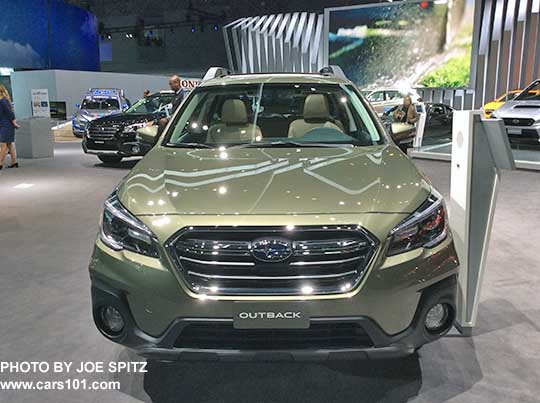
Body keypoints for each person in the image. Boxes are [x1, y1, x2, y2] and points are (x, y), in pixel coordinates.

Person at [0, 84, 20, 170]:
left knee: (2, 144)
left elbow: (10, 113)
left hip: (6, 125)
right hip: (3, 124)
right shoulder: (2, 100)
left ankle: (0, 163)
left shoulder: (3, 100)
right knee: (9, 144)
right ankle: (14, 162)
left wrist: (14, 122)